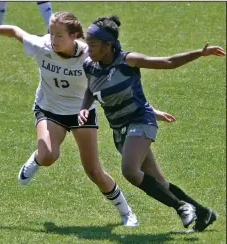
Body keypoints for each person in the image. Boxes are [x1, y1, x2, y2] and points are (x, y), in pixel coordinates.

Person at [0, 11, 175, 227]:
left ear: (75, 35)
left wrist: (151, 110)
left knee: (93, 171)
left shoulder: (90, 56)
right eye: (51, 34)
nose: (53, 40)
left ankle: (126, 212)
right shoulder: (41, 46)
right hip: (49, 109)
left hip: (81, 114)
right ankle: (37, 157)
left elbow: (119, 85)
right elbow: (13, 31)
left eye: (59, 35)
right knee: (48, 156)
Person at [78, 14, 225, 232]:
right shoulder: (91, 65)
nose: (88, 49)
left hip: (141, 120)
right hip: (120, 130)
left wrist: (199, 53)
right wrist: (84, 106)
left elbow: (168, 62)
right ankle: (203, 212)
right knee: (159, 183)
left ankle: (181, 207)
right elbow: (92, 88)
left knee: (129, 170)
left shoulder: (128, 60)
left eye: (93, 45)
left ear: (108, 46)